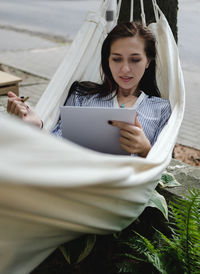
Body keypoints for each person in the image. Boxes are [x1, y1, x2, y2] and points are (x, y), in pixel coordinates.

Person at [7, 21, 171, 157]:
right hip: (79, 182)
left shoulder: (160, 108)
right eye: (116, 59)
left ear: (148, 61)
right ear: (107, 61)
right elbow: (56, 146)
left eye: (135, 60)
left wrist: (145, 150)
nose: (125, 69)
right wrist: (38, 126)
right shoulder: (83, 96)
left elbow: (161, 165)